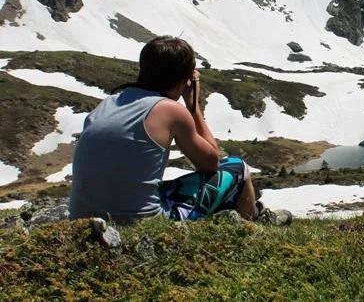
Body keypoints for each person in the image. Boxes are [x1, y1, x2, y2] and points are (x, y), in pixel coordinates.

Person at [70, 36, 259, 222]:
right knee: (237, 168)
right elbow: (211, 163)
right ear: (183, 80)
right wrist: (193, 106)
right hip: (140, 223)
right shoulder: (170, 110)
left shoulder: (107, 104)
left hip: (82, 222)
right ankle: (250, 231)